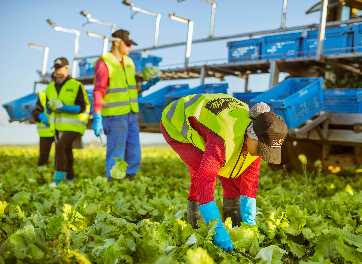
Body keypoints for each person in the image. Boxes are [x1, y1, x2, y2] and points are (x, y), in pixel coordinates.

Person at [160, 93, 288, 252]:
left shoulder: (258, 134)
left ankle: (233, 216)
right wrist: (217, 229)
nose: (262, 154)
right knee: (201, 168)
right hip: (177, 120)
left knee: (234, 166)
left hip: (215, 124)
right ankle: (197, 221)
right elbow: (205, 181)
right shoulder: (225, 139)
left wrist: (249, 222)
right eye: (261, 149)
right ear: (251, 134)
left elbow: (250, 177)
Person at [91, 29, 160, 181]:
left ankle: (128, 182)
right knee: (117, 153)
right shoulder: (104, 62)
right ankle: (114, 183)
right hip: (115, 117)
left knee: (134, 154)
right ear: (116, 42)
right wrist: (97, 116)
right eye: (127, 44)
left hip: (132, 115)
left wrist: (147, 86)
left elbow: (131, 89)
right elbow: (98, 91)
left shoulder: (129, 63)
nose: (130, 48)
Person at [43, 57, 90, 184]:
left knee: (60, 146)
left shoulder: (76, 85)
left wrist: (66, 108)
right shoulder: (50, 87)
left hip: (74, 126)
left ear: (67, 68)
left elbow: (83, 106)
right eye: (55, 69)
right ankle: (70, 178)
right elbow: (47, 105)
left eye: (60, 68)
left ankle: (58, 178)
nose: (57, 71)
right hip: (59, 126)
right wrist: (48, 109)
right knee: (67, 151)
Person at [32, 89, 55, 166]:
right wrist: (40, 116)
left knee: (62, 155)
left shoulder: (64, 93)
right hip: (46, 131)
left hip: (59, 129)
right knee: (43, 156)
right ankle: (42, 172)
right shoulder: (43, 95)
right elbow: (36, 111)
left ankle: (60, 172)